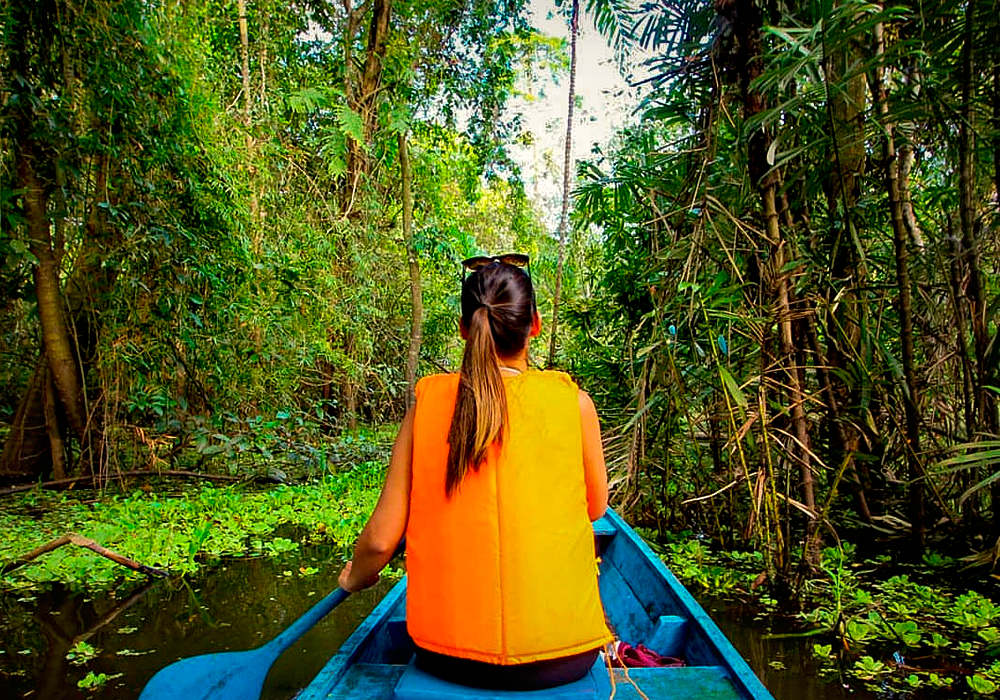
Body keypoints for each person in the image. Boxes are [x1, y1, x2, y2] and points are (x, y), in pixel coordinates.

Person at [337, 254, 611, 690]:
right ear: (534, 325)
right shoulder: (574, 405)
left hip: (449, 658)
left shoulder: (427, 406)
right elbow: (595, 508)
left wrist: (356, 577)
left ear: (465, 329)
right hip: (564, 659)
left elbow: (380, 541)